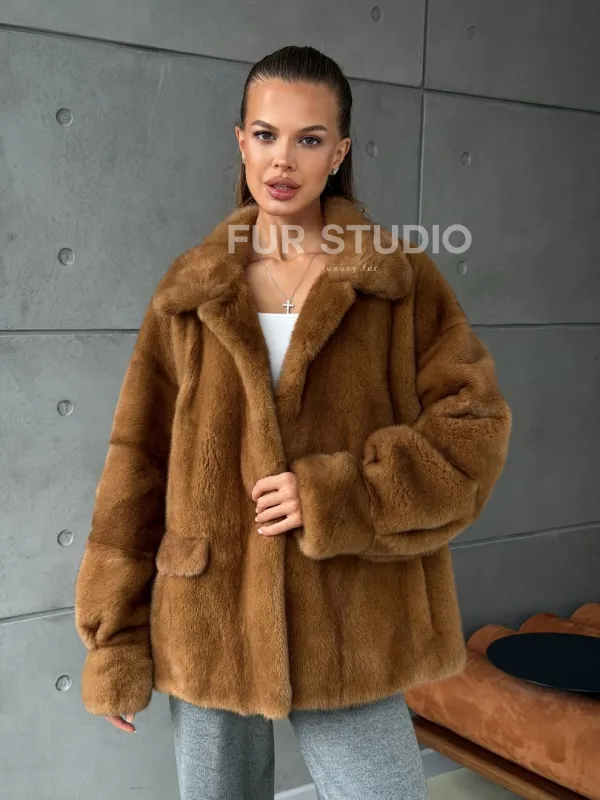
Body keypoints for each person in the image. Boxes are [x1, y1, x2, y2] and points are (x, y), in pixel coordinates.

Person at [74, 45, 512, 799]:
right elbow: (137, 464)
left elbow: (474, 427)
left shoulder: (397, 282)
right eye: (266, 134)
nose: (283, 159)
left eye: (309, 139)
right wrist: (114, 636)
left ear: (339, 153)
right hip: (208, 608)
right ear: (240, 142)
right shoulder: (190, 293)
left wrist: (342, 496)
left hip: (352, 613)